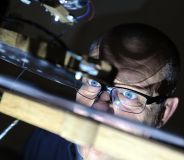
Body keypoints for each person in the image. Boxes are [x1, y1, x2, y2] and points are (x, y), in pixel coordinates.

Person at [23, 23, 180, 160]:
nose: (98, 109)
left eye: (129, 94)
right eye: (93, 82)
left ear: (164, 113)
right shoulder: (46, 140)